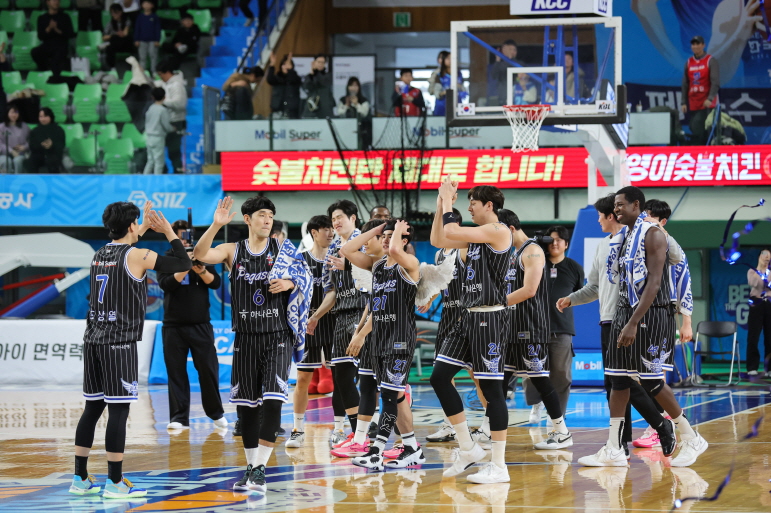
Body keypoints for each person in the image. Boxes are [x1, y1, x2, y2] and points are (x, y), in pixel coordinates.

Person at [578, 186, 708, 467]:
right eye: (615, 206)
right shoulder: (623, 237)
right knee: (618, 379)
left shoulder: (653, 233)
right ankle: (614, 447)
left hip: (651, 315)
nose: (616, 210)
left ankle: (691, 436)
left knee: (651, 382)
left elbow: (655, 282)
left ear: (636, 205)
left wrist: (633, 322)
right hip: (624, 313)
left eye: (621, 205)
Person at [70, 200, 192, 499]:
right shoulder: (137, 255)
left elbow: (126, 248)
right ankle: (114, 482)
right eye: (137, 222)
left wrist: (143, 227)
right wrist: (168, 232)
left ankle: (80, 478)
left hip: (93, 339)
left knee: (92, 408)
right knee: (119, 410)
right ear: (130, 225)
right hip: (119, 342)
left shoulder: (100, 254)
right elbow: (183, 264)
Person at [193, 196, 311, 494]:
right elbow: (199, 254)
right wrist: (215, 225)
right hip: (245, 337)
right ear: (247, 219)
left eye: (270, 214)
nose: (267, 219)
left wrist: (290, 284)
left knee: (272, 400)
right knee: (246, 407)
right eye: (261, 214)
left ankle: (260, 469)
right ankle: (250, 467)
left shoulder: (283, 249)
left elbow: (306, 277)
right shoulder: (233, 250)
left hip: (277, 335)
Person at [556, 194, 684, 457]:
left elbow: (675, 258)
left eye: (601, 215)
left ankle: (664, 427)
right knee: (616, 384)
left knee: (635, 382)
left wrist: (657, 227)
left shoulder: (642, 236)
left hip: (634, 320)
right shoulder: (603, 246)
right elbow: (594, 287)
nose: (599, 220)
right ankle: (623, 443)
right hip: (609, 321)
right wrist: (571, 299)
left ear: (613, 215)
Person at [429, 180, 513, 484]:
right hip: (467, 318)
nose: (469, 208)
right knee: (439, 377)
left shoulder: (498, 231)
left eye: (473, 203)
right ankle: (468, 448)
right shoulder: (474, 238)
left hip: (490, 318)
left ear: (488, 205)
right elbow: (439, 238)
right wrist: (441, 205)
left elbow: (451, 231)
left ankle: (499, 466)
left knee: (492, 391)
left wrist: (448, 201)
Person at [344, 220, 425, 471]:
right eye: (384, 236)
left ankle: (376, 452)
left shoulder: (410, 264)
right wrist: (376, 230)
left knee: (389, 395)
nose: (387, 240)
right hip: (379, 339)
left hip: (400, 340)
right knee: (396, 396)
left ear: (404, 240)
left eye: (393, 236)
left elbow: (396, 251)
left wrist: (397, 233)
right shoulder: (378, 266)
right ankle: (412, 448)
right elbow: (347, 250)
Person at [497, 209, 573, 452]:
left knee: (541, 380)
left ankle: (561, 431)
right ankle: (490, 428)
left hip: (530, 328)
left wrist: (495, 304)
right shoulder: (513, 253)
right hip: (512, 328)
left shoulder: (532, 250)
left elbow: (529, 290)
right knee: (500, 382)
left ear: (509, 229)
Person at [306, 200, 366, 446]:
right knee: (340, 378)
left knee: (369, 378)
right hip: (341, 315)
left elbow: (379, 272)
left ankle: (385, 433)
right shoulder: (332, 250)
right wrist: (315, 316)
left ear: (353, 218)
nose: (336, 222)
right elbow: (331, 291)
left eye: (340, 217)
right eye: (333, 219)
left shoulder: (366, 242)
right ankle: (355, 433)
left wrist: (350, 265)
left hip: (365, 314)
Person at [158, 220, 227, 431]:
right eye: (180, 237)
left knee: (208, 369)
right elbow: (165, 284)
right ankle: (179, 417)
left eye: (187, 236)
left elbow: (215, 283)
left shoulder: (202, 255)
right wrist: (184, 267)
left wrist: (201, 270)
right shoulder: (166, 259)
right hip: (173, 326)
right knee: (176, 372)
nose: (184, 241)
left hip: (200, 324)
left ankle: (216, 413)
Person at [332, 218, 391, 458]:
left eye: (370, 238)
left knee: (393, 392)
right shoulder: (375, 265)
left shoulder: (397, 264)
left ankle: (407, 444)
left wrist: (361, 333)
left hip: (392, 333)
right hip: (372, 328)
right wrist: (360, 330)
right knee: (367, 386)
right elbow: (347, 250)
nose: (364, 243)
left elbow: (385, 307)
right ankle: (360, 440)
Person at [523, 226, 584, 421]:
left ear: (566, 244)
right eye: (551, 239)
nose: (555, 243)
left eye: (559, 240)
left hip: (562, 328)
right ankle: (536, 403)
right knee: (532, 370)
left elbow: (579, 294)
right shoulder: (536, 262)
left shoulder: (574, 268)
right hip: (534, 326)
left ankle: (558, 414)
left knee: (561, 373)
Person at [287, 215, 336, 449]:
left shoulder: (338, 259)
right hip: (307, 327)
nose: (331, 233)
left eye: (332, 228)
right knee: (303, 379)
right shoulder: (300, 260)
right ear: (314, 233)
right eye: (326, 229)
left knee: (341, 379)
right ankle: (297, 429)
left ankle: (340, 429)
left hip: (334, 324)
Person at [426, 208, 465, 444]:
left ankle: (489, 425)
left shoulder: (465, 247)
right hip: (447, 316)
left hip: (467, 314)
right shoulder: (440, 253)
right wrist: (429, 297)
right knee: (443, 374)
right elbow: (440, 283)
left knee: (477, 375)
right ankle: (449, 424)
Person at [681, 35, 719, 145]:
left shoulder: (710, 61)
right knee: (693, 126)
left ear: (703, 45)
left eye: (698, 44)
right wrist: (683, 102)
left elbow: (715, 82)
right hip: (693, 103)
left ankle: (702, 150)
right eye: (693, 44)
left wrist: (710, 98)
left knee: (698, 126)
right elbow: (685, 83)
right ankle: (702, 149)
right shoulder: (689, 62)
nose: (695, 46)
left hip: (706, 103)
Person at [155, 60, 187, 173]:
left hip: (176, 121)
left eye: (161, 74)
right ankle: (162, 173)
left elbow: (180, 104)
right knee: (158, 151)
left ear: (167, 72)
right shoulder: (163, 84)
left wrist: (162, 102)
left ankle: (178, 173)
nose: (160, 77)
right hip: (163, 121)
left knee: (174, 151)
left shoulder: (177, 85)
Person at [31, 0, 75, 74]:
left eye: (58, 1)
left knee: (56, 60)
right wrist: (49, 28)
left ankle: (55, 76)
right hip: (48, 45)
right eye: (54, 0)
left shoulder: (65, 17)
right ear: (48, 2)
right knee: (35, 52)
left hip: (61, 45)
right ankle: (44, 71)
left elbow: (70, 34)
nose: (56, 2)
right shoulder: (42, 18)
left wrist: (57, 30)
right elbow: (40, 36)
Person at [746, 249, 771, 377]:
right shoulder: (751, 271)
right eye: (764, 256)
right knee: (753, 336)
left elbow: (768, 285)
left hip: (769, 303)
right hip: (756, 303)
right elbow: (754, 283)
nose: (767, 259)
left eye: (769, 258)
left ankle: (769, 368)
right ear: (759, 257)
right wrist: (760, 269)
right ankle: (752, 367)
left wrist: (766, 271)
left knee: (770, 337)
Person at [143, 87, 173, 175]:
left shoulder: (150, 108)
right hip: (158, 138)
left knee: (150, 161)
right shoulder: (162, 110)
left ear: (153, 97)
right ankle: (157, 181)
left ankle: (144, 179)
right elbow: (166, 125)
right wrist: (173, 129)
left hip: (149, 137)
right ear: (164, 97)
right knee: (159, 163)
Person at [336, 77, 372, 149]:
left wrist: (356, 104)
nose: (353, 88)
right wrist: (346, 105)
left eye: (355, 86)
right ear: (348, 87)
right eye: (351, 85)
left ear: (359, 87)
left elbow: (364, 113)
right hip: (345, 130)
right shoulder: (343, 100)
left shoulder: (363, 100)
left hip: (360, 131)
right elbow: (339, 112)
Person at [26, 108, 65, 173]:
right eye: (41, 117)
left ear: (50, 116)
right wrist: (42, 145)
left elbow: (61, 145)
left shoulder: (59, 130)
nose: (43, 119)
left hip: (54, 154)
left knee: (52, 161)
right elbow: (32, 146)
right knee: (31, 161)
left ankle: (54, 178)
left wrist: (52, 145)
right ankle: (33, 179)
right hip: (39, 154)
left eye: (45, 116)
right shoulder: (35, 131)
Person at [429, 51, 467, 116]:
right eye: (448, 58)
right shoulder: (438, 75)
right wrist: (445, 92)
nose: (450, 60)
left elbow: (464, 90)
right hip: (442, 107)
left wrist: (460, 88)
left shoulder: (459, 74)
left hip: (457, 106)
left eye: (452, 58)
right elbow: (436, 93)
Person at [266, 52, 301, 119]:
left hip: (292, 110)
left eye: (288, 64)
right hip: (277, 108)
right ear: (281, 66)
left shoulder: (295, 77)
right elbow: (270, 80)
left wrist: (290, 70)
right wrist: (272, 65)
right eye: (284, 64)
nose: (286, 67)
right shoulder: (277, 78)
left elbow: (293, 80)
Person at [102, 4, 134, 71]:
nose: (113, 15)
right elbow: (104, 37)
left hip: (125, 43)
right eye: (112, 13)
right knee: (112, 44)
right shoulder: (110, 24)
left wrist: (121, 34)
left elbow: (125, 33)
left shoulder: (127, 21)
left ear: (120, 12)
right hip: (115, 44)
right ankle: (112, 67)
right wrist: (114, 34)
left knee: (127, 40)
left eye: (115, 13)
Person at [491, 40, 524, 105]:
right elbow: (493, 76)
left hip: (518, 99)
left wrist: (510, 59)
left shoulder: (520, 64)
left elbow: (520, 79)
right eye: (510, 49)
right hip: (503, 99)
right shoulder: (499, 64)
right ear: (503, 50)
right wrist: (497, 60)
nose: (512, 52)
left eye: (514, 50)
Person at [302, 54, 335, 119]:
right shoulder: (309, 76)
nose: (320, 64)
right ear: (314, 63)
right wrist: (311, 75)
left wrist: (316, 72)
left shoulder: (328, 75)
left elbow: (323, 82)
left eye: (322, 62)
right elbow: (306, 87)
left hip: (325, 107)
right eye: (319, 62)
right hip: (312, 107)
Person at [0, 106, 30, 174]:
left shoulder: (24, 126)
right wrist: (11, 151)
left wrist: (25, 147)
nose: (14, 115)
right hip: (5, 154)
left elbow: (31, 140)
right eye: (12, 112)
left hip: (20, 154)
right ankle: (6, 180)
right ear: (7, 113)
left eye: (16, 112)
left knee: (17, 161)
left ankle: (18, 179)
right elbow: (0, 143)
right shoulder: (1, 127)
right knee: (5, 161)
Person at [134, 0, 161, 73]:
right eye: (145, 3)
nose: (146, 5)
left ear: (152, 5)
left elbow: (157, 29)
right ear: (142, 5)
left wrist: (157, 40)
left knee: (153, 56)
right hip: (142, 40)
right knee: (142, 57)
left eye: (148, 3)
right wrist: (136, 39)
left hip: (153, 40)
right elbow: (137, 29)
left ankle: (154, 72)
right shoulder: (140, 17)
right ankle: (142, 73)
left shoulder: (155, 17)